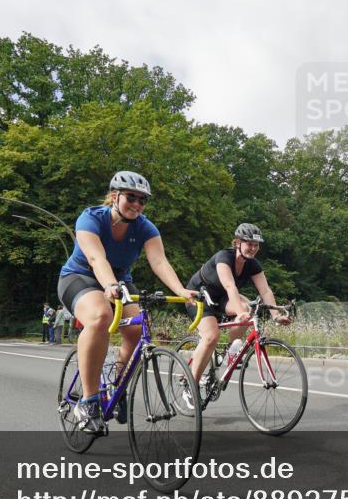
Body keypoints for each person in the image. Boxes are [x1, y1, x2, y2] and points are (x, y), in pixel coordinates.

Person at [58, 170, 195, 434]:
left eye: (142, 200)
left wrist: (181, 290)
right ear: (114, 196)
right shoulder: (90, 218)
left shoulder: (145, 227)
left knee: (137, 329)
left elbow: (159, 261)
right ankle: (88, 401)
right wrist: (109, 285)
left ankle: (117, 386)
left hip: (120, 281)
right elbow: (97, 259)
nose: (137, 204)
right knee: (100, 317)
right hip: (80, 277)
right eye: (131, 197)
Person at [185, 223, 290, 386]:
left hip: (221, 298)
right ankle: (190, 384)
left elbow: (266, 291)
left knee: (248, 309)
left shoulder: (253, 264)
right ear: (237, 243)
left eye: (256, 245)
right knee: (212, 336)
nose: (253, 248)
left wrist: (275, 315)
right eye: (249, 244)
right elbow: (229, 285)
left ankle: (230, 351)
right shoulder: (224, 257)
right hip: (198, 296)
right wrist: (240, 312)